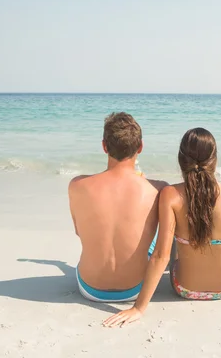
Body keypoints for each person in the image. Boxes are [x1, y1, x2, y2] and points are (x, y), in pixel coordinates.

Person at [103, 127, 221, 327]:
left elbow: (160, 256)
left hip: (185, 288)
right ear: (214, 159)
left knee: (173, 240)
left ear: (182, 160)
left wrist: (139, 308)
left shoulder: (170, 195)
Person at [68, 112, 167, 302]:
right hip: (136, 289)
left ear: (104, 146)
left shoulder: (77, 185)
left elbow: (80, 232)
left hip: (89, 288)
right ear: (140, 147)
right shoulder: (157, 189)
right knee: (163, 231)